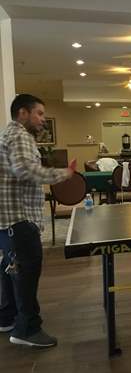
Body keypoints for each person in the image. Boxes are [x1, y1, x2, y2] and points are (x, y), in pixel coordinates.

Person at [0, 94, 76, 348]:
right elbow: (24, 169)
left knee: (11, 268)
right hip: (18, 216)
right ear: (23, 113)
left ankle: (7, 317)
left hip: (8, 217)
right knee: (26, 271)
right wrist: (62, 174)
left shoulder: (8, 134)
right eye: (40, 113)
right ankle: (27, 330)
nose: (43, 119)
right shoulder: (20, 135)